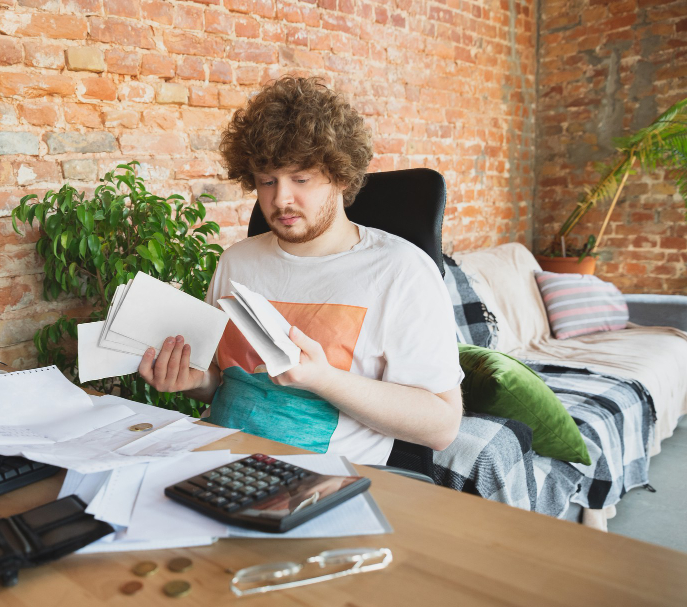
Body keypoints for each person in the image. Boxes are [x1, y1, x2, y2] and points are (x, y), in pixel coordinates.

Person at [137, 77, 463, 464]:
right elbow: (228, 384)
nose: (280, 199)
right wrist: (194, 382)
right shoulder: (236, 262)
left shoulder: (401, 271)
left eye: (301, 179)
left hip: (319, 478)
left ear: (341, 177)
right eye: (267, 181)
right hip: (211, 459)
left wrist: (324, 379)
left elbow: (442, 426)